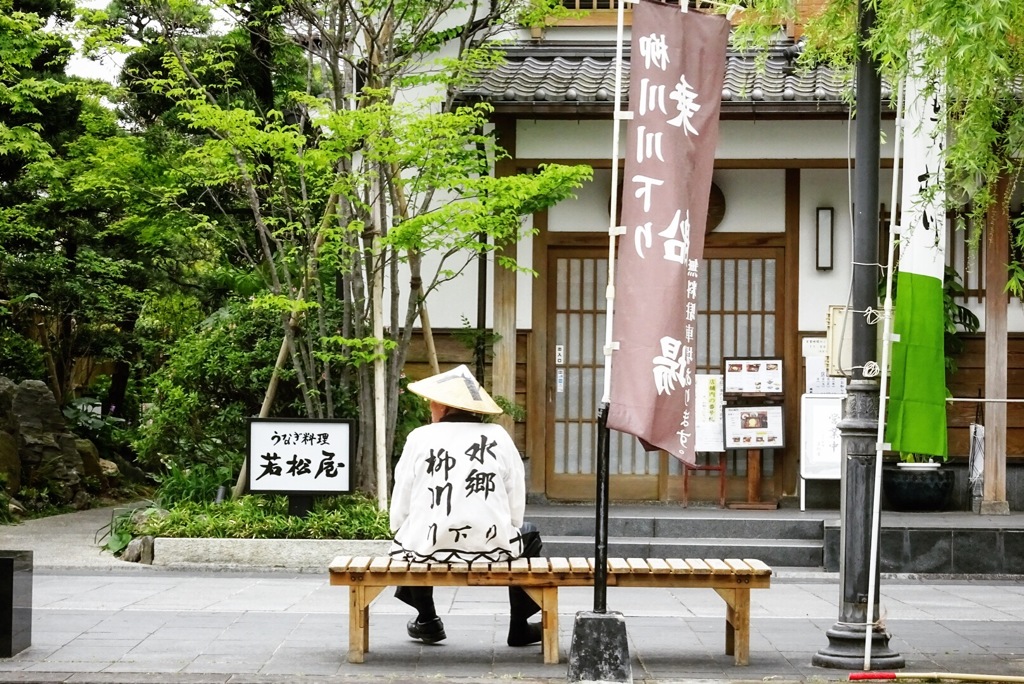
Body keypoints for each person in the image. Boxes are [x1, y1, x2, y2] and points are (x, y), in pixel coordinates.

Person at [389, 364, 543, 647]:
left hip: (427, 547)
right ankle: (519, 625)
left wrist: (400, 528)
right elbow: (515, 498)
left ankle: (427, 618)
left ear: (444, 406)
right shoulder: (498, 436)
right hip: (490, 545)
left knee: (408, 538)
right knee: (529, 533)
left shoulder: (419, 437)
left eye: (433, 402)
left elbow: (403, 494)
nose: (430, 407)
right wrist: (509, 524)